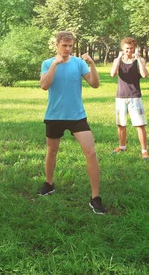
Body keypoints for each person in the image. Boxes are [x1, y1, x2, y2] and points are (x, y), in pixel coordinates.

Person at [37, 31, 106, 215]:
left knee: (90, 152)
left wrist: (92, 65)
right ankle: (49, 184)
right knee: (52, 150)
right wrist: (54, 64)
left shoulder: (78, 63)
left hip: (76, 115)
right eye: (64, 46)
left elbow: (94, 84)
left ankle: (95, 197)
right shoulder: (47, 63)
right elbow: (44, 85)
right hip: (54, 115)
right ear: (57, 45)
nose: (68, 49)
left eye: (70, 46)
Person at [110, 37, 149, 159]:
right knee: (121, 124)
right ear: (123, 48)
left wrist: (138, 59)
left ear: (135, 48)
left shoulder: (139, 60)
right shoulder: (118, 60)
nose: (129, 51)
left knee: (140, 125)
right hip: (121, 96)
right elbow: (112, 74)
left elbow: (144, 75)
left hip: (135, 96)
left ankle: (144, 151)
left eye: (131, 48)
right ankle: (122, 147)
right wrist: (118, 58)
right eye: (127, 48)